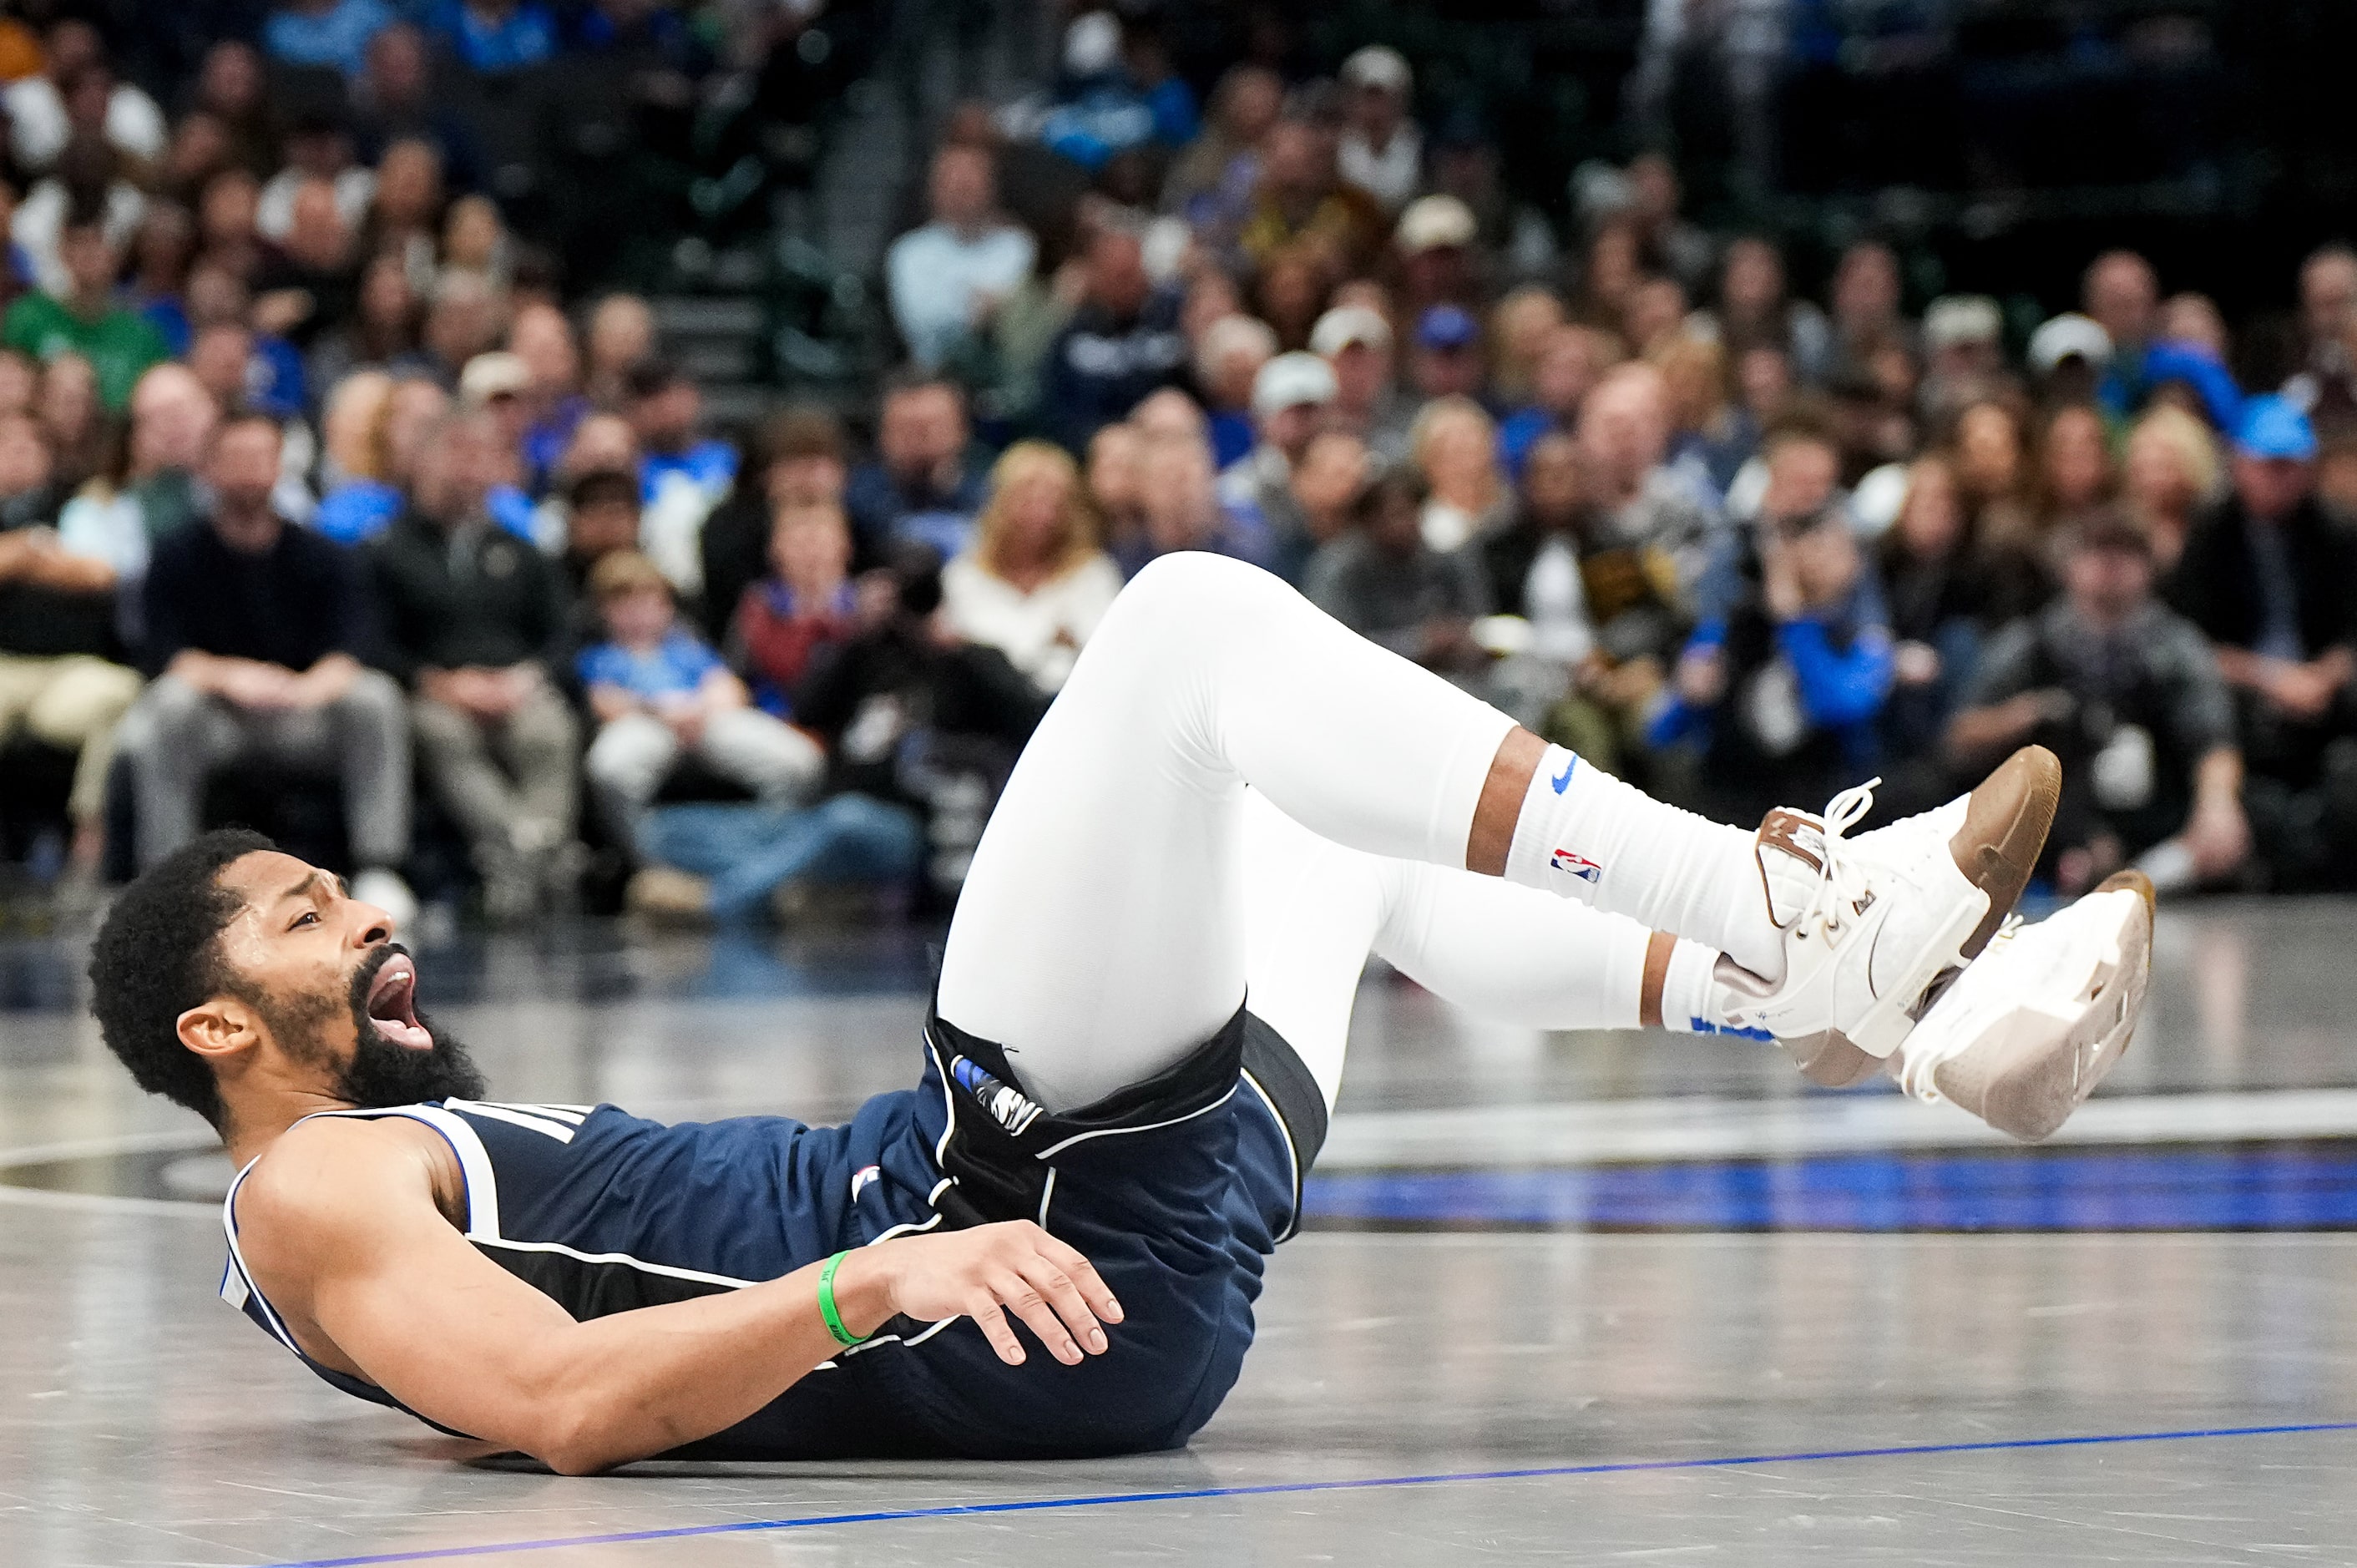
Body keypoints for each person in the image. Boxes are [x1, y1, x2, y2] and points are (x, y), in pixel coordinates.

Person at [88, 549, 2150, 1470]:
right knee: (1177, 632)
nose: (360, 909)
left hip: (1109, 1293)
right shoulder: (305, 1196)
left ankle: (1861, 1005)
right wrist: (878, 1285)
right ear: (215, 1027)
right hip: (992, 1228)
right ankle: (1786, 906)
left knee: (1344, 849)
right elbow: (553, 1403)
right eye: (299, 908)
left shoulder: (359, 1178)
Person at [114, 415, 414, 921]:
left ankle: (381, 866)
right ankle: (168, 881)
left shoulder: (322, 555)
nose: (250, 472)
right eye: (235, 459)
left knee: (375, 697)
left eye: (261, 458)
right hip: (218, 720)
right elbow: (162, 653)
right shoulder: (175, 555)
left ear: (280, 467)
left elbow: (357, 645)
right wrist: (232, 677)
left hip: (303, 716)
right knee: (167, 705)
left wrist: (306, 688)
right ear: (208, 469)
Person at [1954, 513, 2247, 898]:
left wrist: (2218, 804)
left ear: (2149, 568)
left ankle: (2138, 880)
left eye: (2126, 554)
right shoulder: (2032, 643)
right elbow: (1961, 736)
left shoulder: (2176, 646)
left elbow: (2213, 736)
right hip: (2055, 825)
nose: (2111, 567)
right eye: (2097, 553)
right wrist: (2028, 714)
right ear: (2069, 565)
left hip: (2152, 816)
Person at [369, 411, 578, 923]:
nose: (468, 470)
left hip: (516, 686)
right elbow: (373, 642)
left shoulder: (521, 550)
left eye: (480, 457)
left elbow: (561, 635)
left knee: (549, 730)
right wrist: (438, 682)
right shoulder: (387, 549)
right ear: (423, 463)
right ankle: (531, 849)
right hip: (435, 690)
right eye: (455, 455)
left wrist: (525, 678)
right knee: (443, 736)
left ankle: (523, 860)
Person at [2164, 397, 2357, 888]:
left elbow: (2349, 630)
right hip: (2243, 688)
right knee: (2205, 707)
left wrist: (2323, 675)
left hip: (2322, 687)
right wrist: (2274, 680)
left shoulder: (2334, 529)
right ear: (2240, 464)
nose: (2282, 478)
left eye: (2293, 466)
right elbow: (2192, 640)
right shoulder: (2210, 534)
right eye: (2269, 466)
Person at [578, 550, 824, 842]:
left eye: (648, 602)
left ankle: (765, 848)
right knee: (610, 769)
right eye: (625, 605)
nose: (639, 615)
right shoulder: (602, 656)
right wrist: (662, 712)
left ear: (667, 606)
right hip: (645, 723)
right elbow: (606, 703)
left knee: (801, 763)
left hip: (705, 718)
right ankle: (652, 857)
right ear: (604, 611)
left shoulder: (687, 648)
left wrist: (700, 708)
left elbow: (730, 688)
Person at [0, 410, 139, 874]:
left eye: (28, 448)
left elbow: (101, 574)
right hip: (4, 668)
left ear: (48, 456)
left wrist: (24, 556)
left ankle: (88, 848)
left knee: (119, 694)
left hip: (68, 671)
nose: (16, 457)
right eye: (6, 446)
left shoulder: (82, 505)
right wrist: (36, 552)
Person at [943, 442, 1125, 695]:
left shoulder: (1094, 574)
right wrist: (1051, 639)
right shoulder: (965, 576)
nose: (1042, 515)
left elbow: (1107, 657)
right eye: (1027, 501)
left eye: (1054, 502)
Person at [1305, 467, 1490, 681]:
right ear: (1367, 520)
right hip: (1366, 683)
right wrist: (1419, 643)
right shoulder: (1339, 568)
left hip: (1446, 680)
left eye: (1413, 513)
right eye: (1395, 515)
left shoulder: (1445, 560)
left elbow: (1478, 624)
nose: (1405, 525)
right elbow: (1334, 646)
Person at [886, 144, 1037, 375]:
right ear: (933, 190)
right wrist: (986, 311)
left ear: (992, 187)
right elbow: (923, 326)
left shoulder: (1020, 246)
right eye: (952, 184)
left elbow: (1037, 318)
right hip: (939, 375)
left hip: (1016, 377)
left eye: (970, 184)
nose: (961, 192)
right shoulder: (910, 252)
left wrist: (994, 308)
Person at [1035, 226, 1187, 456]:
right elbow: (1054, 411)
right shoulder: (1073, 338)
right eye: (1117, 276)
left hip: (1169, 449)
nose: (1126, 284)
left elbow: (1198, 394)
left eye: (1131, 273)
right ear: (1094, 277)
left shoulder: (1174, 323)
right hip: (1098, 454)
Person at [3, 203, 169, 411]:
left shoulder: (141, 334)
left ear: (118, 253)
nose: (89, 254)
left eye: (98, 242)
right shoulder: (27, 318)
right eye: (79, 242)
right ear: (61, 250)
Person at [843, 375, 988, 567]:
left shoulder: (990, 497)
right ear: (883, 433)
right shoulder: (853, 503)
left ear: (962, 429)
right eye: (908, 427)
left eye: (932, 425)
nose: (921, 437)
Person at [1216, 351, 1335, 581]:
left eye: (1311, 410)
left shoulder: (1355, 471)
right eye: (1290, 411)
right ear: (1263, 416)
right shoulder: (1237, 487)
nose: (1302, 423)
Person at [732, 500, 858, 718]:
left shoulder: (863, 606)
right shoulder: (760, 605)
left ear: (845, 545)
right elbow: (737, 674)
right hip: (773, 719)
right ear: (775, 549)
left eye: (820, 541)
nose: (811, 554)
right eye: (798, 543)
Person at [1335, 46, 1421, 215]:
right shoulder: (1331, 150)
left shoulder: (1422, 150)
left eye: (1383, 98)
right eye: (1368, 97)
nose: (1375, 109)